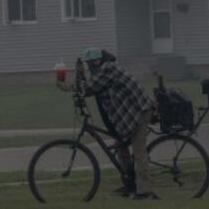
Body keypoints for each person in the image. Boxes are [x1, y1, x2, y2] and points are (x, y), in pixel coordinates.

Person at [58, 47, 158, 200]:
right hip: (128, 114)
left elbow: (88, 88)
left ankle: (145, 192)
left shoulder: (107, 69)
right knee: (121, 148)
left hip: (139, 112)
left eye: (90, 64)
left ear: (97, 61)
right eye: (87, 64)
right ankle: (130, 185)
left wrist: (68, 86)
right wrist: (79, 74)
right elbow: (90, 87)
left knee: (139, 153)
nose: (89, 67)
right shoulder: (102, 71)